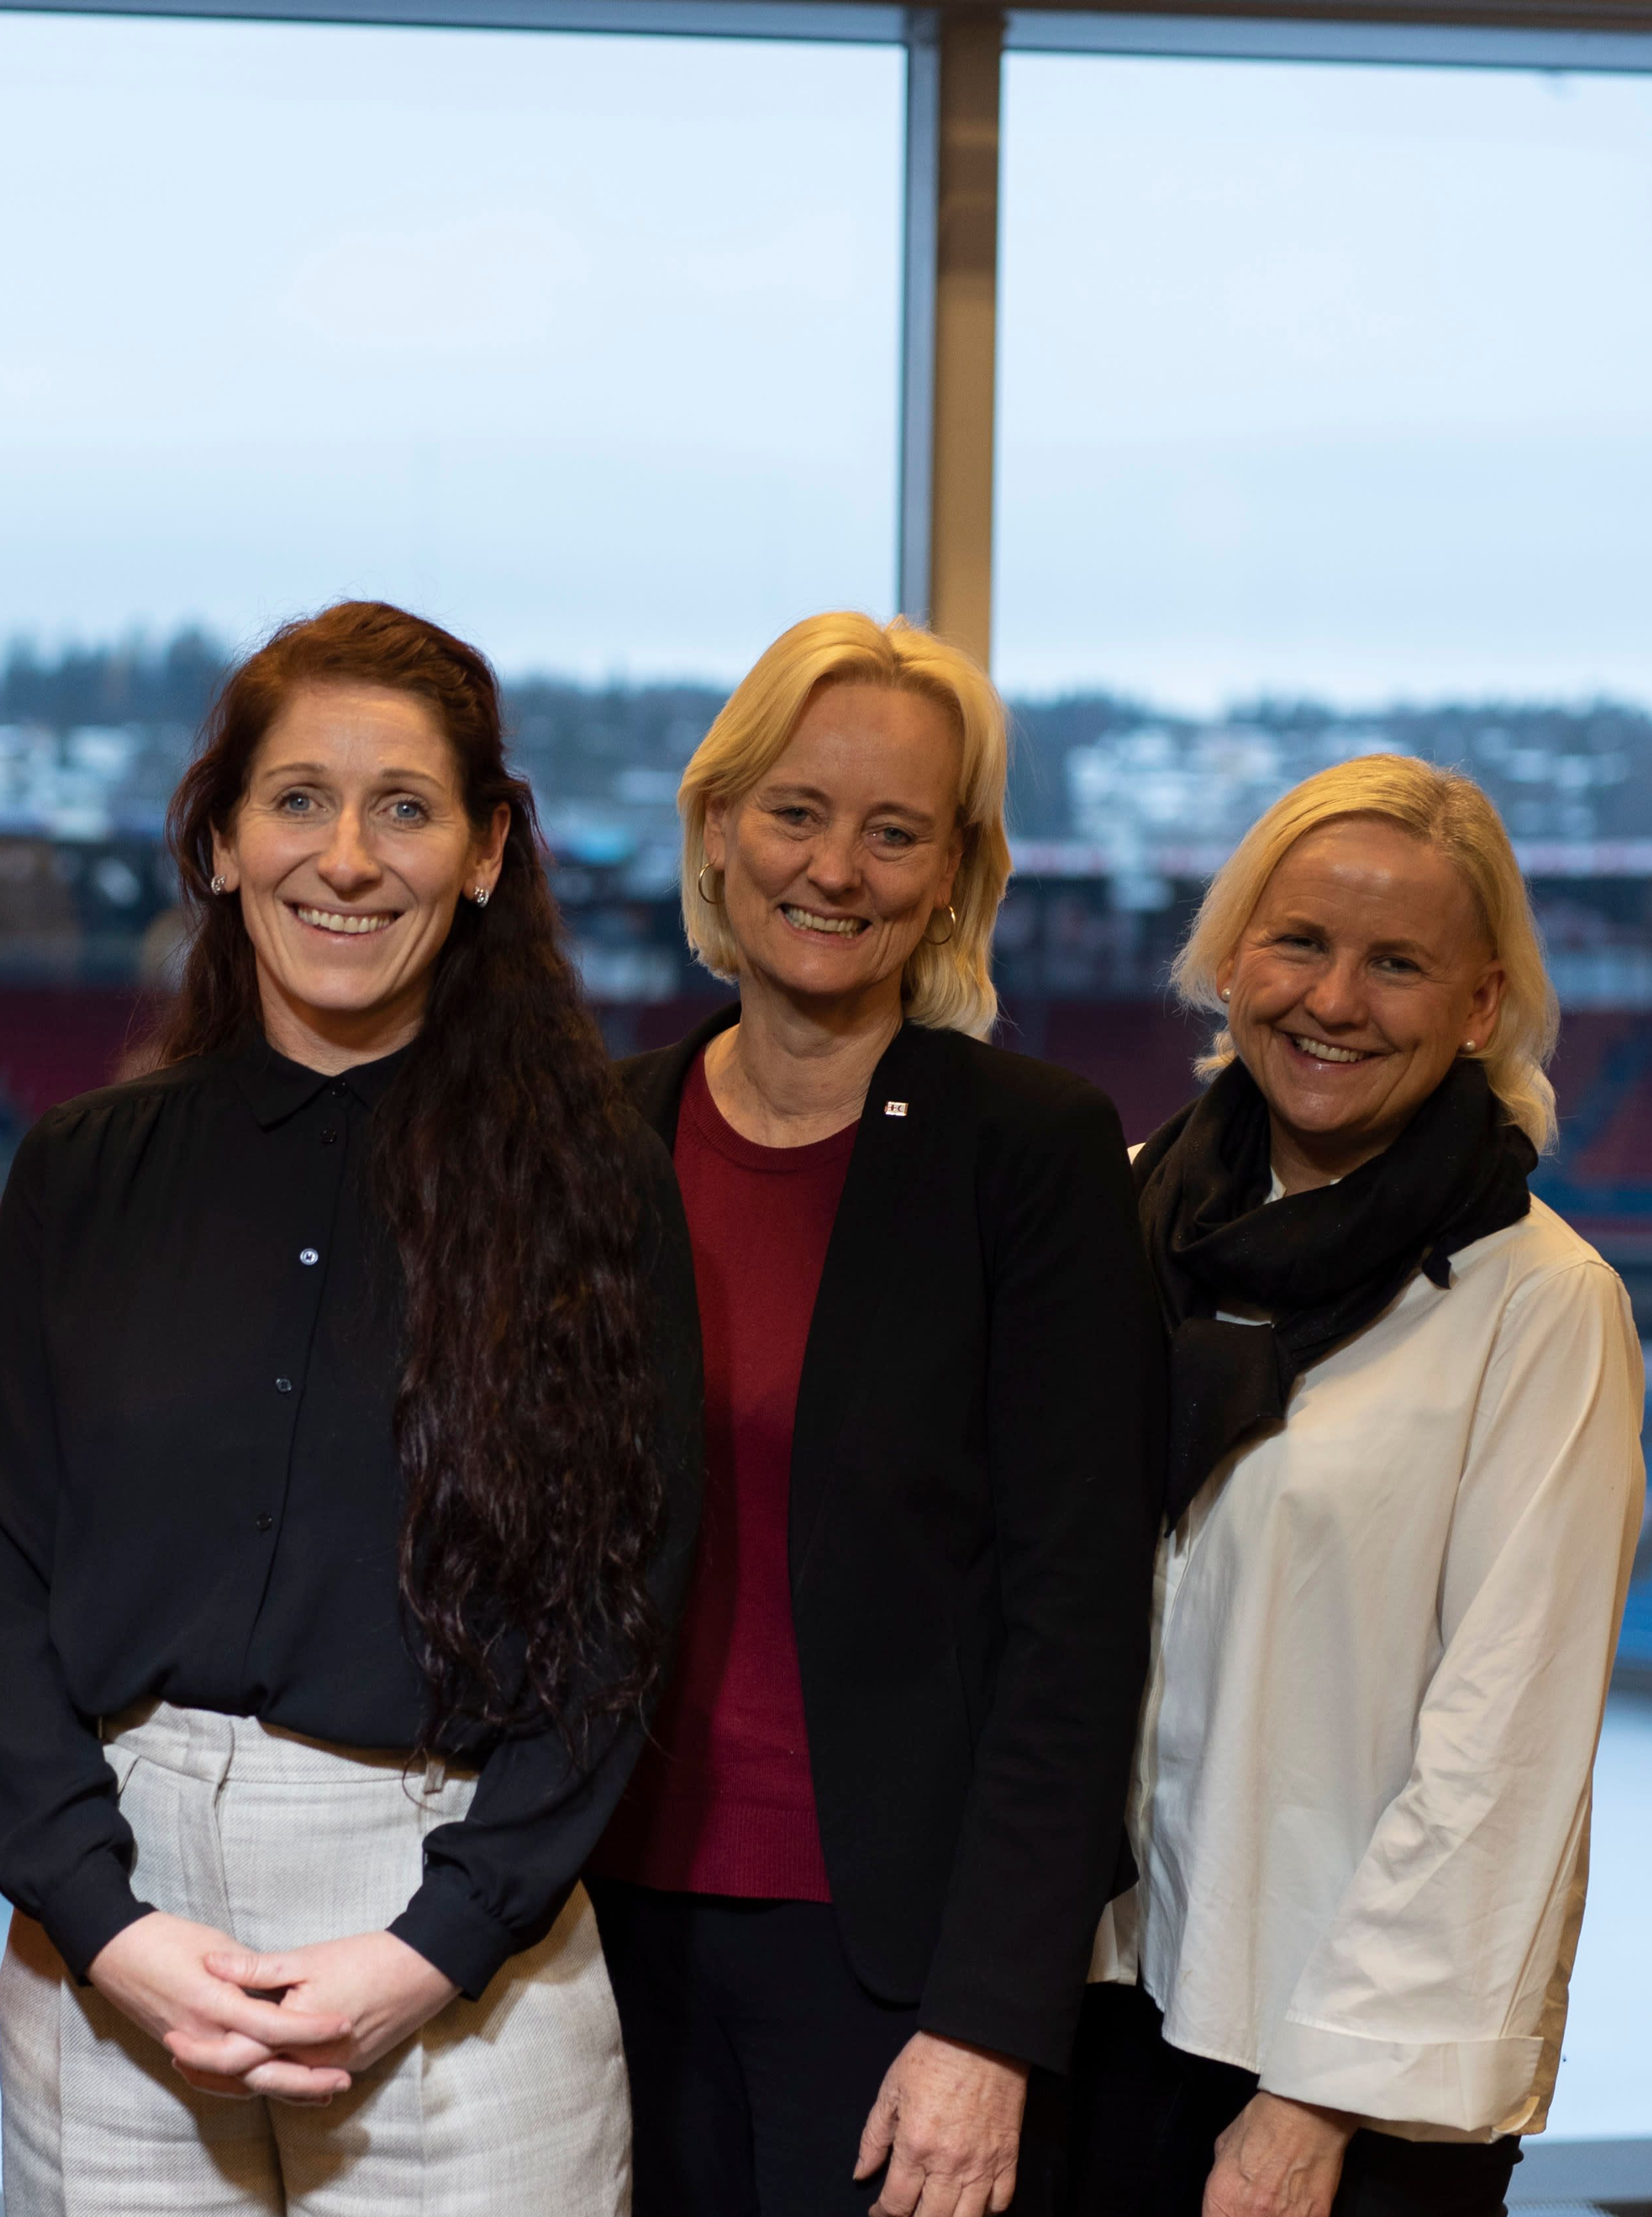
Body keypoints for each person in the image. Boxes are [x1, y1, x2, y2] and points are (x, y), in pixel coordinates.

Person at [0, 600, 702, 2216]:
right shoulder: (89, 1168)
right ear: (220, 841)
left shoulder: (593, 1179)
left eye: (405, 807)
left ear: (488, 851)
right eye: (297, 799)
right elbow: (2, 1574)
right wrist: (106, 1921)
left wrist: (432, 1946)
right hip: (122, 1921)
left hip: (454, 1935)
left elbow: (618, 1614)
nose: (346, 859)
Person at [590, 613, 1164, 2217]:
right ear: (716, 826)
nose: (834, 867)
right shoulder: (599, 1125)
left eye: (893, 828)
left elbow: (1075, 1623)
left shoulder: (1029, 1151)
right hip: (594, 1945)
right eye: (794, 810)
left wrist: (987, 2022)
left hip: (887, 1976)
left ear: (953, 871)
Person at [1066, 755, 1644, 2217]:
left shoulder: (1541, 1303)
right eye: (1300, 942)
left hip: (1327, 2079)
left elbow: (1500, 1750)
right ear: (1229, 955)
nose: (1332, 999)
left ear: (1480, 1005)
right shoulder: (1118, 1211)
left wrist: (1310, 2101)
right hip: (1087, 2010)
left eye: (1397, 963)